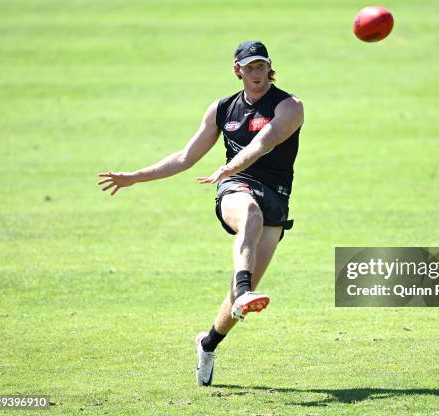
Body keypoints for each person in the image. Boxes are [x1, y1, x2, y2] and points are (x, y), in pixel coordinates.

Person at [97, 40, 304, 387]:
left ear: (270, 68)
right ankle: (243, 290)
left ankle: (208, 343)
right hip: (235, 187)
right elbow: (184, 157)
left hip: (276, 197)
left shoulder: (289, 106)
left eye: (261, 66)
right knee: (249, 215)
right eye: (248, 67)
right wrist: (135, 177)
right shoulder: (222, 109)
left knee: (240, 295)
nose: (255, 73)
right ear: (237, 70)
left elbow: (262, 143)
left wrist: (228, 165)